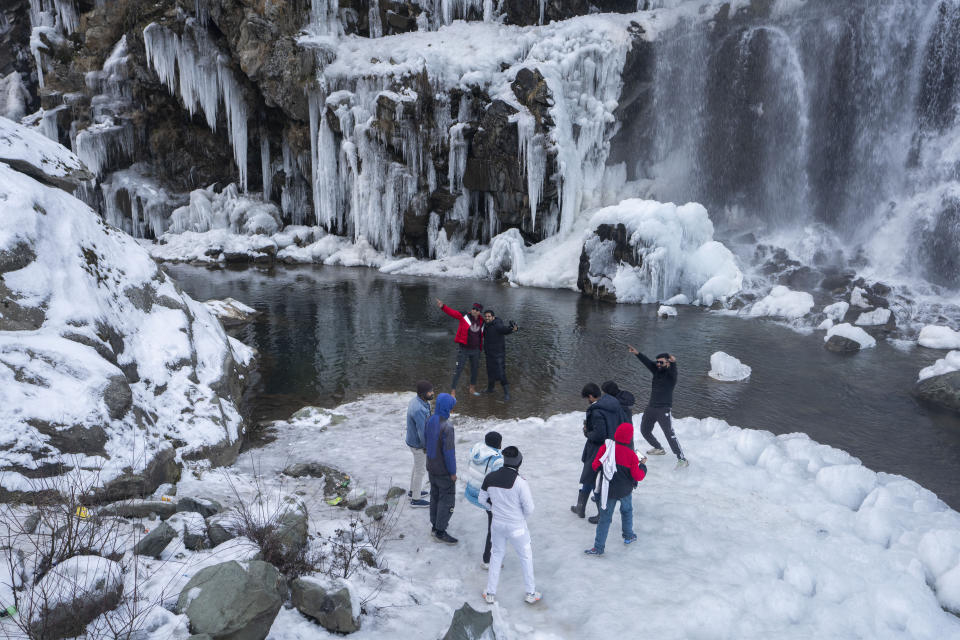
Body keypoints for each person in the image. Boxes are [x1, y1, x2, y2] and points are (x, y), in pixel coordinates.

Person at [478, 446, 540, 605]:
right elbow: (529, 508)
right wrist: (519, 518)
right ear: (519, 462)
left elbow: (481, 500)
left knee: (496, 555)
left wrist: (492, 509)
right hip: (517, 527)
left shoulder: (490, 477)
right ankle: (531, 593)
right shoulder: (521, 483)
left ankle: (490, 593)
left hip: (497, 524)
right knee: (525, 557)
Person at [584, 422, 647, 556]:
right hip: (625, 491)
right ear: (629, 438)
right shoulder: (631, 455)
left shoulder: (606, 448)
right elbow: (638, 476)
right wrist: (642, 466)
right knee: (627, 511)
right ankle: (628, 535)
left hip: (608, 492)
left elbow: (595, 466)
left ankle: (598, 547)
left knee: (605, 519)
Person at [628, 346, 688, 468]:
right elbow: (647, 362)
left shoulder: (671, 375)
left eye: (661, 362)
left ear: (667, 362)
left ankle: (682, 459)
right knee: (644, 430)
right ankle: (658, 448)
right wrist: (637, 353)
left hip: (663, 409)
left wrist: (674, 362)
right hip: (651, 407)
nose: (658, 364)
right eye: (657, 362)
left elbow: (673, 369)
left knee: (669, 434)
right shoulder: (656, 370)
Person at [571, 383, 621, 523]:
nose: (587, 400)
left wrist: (587, 432)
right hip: (608, 447)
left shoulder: (597, 411)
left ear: (591, 396)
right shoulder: (610, 405)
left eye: (587, 397)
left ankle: (601, 514)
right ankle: (580, 508)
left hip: (597, 449)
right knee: (590, 478)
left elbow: (599, 435)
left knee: (594, 480)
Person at [464, 431, 504, 568]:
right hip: (486, 497)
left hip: (472, 491)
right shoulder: (497, 460)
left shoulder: (476, 450)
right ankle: (488, 560)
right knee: (494, 528)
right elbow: (498, 483)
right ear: (498, 443)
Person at [425, 392, 459, 543]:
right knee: (447, 500)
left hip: (431, 467)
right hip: (443, 471)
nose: (452, 410)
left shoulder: (430, 419)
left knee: (435, 496)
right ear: (448, 409)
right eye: (451, 407)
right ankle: (440, 531)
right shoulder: (447, 427)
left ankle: (434, 526)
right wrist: (452, 472)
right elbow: (449, 453)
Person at [436, 299, 485, 397]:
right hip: (464, 349)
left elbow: (491, 326)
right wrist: (443, 307)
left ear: (479, 312)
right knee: (459, 370)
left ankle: (472, 389)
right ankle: (453, 391)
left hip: (475, 350)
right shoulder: (464, 316)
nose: (474, 310)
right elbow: (453, 313)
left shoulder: (482, 321)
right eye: (473, 308)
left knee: (475, 369)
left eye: (476, 309)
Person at [405, 380, 433, 508]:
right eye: (430, 392)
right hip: (418, 444)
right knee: (420, 471)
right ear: (423, 394)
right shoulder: (419, 409)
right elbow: (422, 431)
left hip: (413, 441)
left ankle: (412, 492)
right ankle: (415, 500)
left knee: (417, 467)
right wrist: (426, 446)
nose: (432, 393)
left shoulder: (418, 401)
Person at [481, 310, 518, 401]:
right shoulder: (485, 325)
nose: (487, 318)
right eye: (486, 316)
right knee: (490, 372)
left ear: (493, 317)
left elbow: (504, 330)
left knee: (501, 374)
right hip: (489, 353)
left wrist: (512, 329)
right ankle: (490, 389)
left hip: (498, 354)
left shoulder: (497, 325)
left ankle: (507, 394)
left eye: (489, 316)